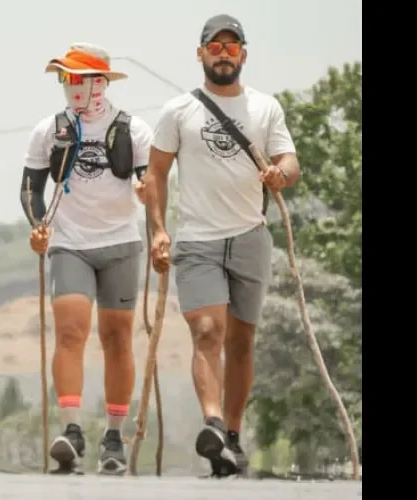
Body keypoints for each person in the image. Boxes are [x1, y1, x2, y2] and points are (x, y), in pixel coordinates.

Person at [141, 14, 301, 477]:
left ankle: (230, 436)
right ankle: (211, 422)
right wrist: (157, 229)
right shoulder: (178, 111)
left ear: (243, 55)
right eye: (216, 46)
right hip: (197, 240)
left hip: (250, 237)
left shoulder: (265, 108)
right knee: (208, 331)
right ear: (201, 53)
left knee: (242, 340)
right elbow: (156, 174)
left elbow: (289, 159)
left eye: (233, 47)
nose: (224, 53)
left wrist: (281, 174)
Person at [20, 43, 154, 475]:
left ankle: (114, 435)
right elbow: (29, 189)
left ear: (100, 83)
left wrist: (147, 193)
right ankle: (71, 430)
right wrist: (38, 224)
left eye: (78, 78)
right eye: (65, 79)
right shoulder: (48, 130)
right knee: (71, 332)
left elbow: (149, 185)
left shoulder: (135, 132)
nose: (71, 87)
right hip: (70, 242)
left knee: (117, 338)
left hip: (119, 244)